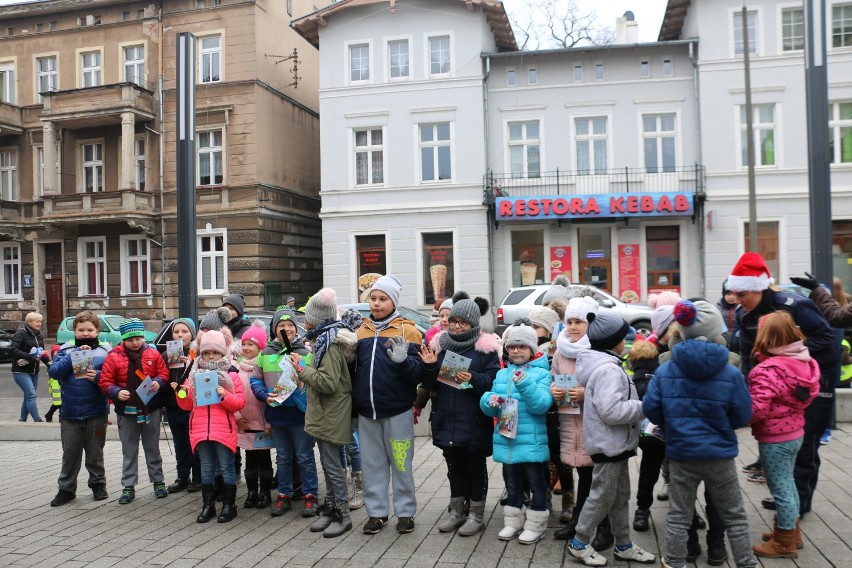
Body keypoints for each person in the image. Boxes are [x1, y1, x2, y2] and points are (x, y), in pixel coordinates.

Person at [642, 300, 756, 568]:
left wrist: (672, 423)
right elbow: (742, 415)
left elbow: (652, 411)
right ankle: (745, 563)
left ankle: (674, 562)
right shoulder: (730, 371)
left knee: (678, 516)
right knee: (735, 516)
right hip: (720, 454)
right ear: (717, 330)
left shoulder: (666, 368)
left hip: (682, 453)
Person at [729, 252, 839, 517]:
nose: (737, 299)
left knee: (805, 444)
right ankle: (787, 496)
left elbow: (826, 338)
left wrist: (786, 355)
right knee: (780, 440)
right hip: (776, 383)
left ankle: (799, 503)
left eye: (742, 294)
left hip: (810, 382)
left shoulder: (792, 305)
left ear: (759, 287)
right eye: (735, 294)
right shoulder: (745, 313)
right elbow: (748, 353)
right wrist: (749, 383)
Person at [567, 312, 655, 566]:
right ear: (613, 341)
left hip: (616, 444)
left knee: (619, 495)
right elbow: (611, 411)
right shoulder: (608, 370)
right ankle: (579, 542)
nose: (627, 341)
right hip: (609, 445)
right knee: (602, 496)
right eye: (624, 337)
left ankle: (624, 545)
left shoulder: (607, 365)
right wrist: (642, 407)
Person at [420, 294, 500, 536]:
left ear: (473, 324)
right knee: (455, 466)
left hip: (474, 419)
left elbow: (494, 381)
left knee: (476, 466)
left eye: (462, 322)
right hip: (448, 416)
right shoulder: (440, 344)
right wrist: (430, 365)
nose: (456, 326)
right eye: (453, 320)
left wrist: (473, 378)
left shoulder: (485, 349)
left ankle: (476, 514)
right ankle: (456, 511)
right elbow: (429, 383)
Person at [353, 274, 424, 535]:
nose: (376, 304)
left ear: (393, 302)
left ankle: (405, 512)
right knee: (372, 465)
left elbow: (418, 375)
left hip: (398, 411)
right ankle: (377, 513)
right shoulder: (360, 331)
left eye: (382, 299)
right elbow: (354, 373)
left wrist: (404, 361)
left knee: (401, 463)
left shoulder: (409, 330)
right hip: (367, 413)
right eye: (373, 298)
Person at [749, 312, 819, 558]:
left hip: (774, 439)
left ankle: (784, 543)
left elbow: (757, 409)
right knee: (788, 484)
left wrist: (740, 413)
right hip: (795, 432)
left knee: (781, 488)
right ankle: (789, 531)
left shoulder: (768, 370)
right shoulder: (804, 362)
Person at [290, 288, 358, 538]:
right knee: (330, 464)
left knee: (332, 466)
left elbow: (328, 383)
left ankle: (343, 514)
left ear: (316, 319)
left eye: (307, 316)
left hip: (331, 412)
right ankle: (331, 509)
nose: (303, 320)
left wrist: (301, 370)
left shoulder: (328, 344)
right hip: (328, 413)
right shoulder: (326, 338)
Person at [480, 324, 552, 545]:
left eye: (522, 346)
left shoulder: (542, 374)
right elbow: (491, 406)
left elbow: (541, 405)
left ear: (532, 349)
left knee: (536, 483)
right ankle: (513, 521)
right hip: (507, 439)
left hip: (531, 441)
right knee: (512, 483)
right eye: (512, 347)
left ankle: (536, 524)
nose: (516, 351)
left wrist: (525, 383)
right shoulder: (502, 374)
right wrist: (489, 401)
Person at [250, 306, 318, 518]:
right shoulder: (265, 354)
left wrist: (301, 376)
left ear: (295, 328)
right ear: (274, 329)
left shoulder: (305, 353)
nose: (286, 329)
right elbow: (255, 379)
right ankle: (284, 494)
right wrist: (263, 395)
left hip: (299, 415)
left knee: (305, 457)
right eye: (281, 325)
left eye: (290, 325)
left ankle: (310, 496)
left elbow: (314, 380)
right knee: (283, 457)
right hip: (276, 415)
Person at [176, 329, 246, 523]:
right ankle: (208, 506)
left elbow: (239, 403)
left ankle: (229, 506)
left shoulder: (231, 375)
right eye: (206, 353)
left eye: (215, 352)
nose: (210, 356)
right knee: (206, 468)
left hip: (223, 428)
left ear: (223, 353)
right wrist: (181, 393)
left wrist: (224, 394)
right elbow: (187, 405)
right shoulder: (193, 374)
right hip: (200, 429)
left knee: (226, 467)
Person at [99, 318, 170, 504]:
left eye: (138, 338)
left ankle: (158, 482)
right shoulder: (114, 357)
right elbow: (105, 382)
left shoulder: (153, 355)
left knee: (152, 448)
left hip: (151, 409)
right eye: (130, 339)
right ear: (123, 339)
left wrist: (159, 382)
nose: (135, 342)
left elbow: (164, 373)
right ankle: (128, 486)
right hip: (127, 410)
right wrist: (116, 392)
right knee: (129, 450)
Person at [48, 311, 111, 506]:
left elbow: (112, 377)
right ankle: (66, 489)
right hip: (70, 413)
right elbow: (54, 372)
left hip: (97, 412)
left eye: (90, 330)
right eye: (81, 330)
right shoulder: (65, 351)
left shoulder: (105, 351)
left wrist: (98, 376)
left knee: (95, 451)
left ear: (97, 331)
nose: (85, 333)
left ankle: (98, 484)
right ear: (74, 331)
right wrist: (73, 356)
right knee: (70, 453)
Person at [550, 296, 599, 542]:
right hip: (570, 423)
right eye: (569, 321)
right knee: (581, 473)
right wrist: (554, 390)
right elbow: (554, 377)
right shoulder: (561, 351)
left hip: (594, 424)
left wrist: (586, 393)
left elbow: (611, 385)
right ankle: (579, 521)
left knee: (594, 478)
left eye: (578, 321)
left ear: (591, 322)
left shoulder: (598, 349)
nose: (572, 327)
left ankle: (592, 524)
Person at [234, 324, 273, 509]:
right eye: (245, 344)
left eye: (252, 344)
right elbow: (230, 393)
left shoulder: (263, 367)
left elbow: (271, 396)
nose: (247, 348)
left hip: (262, 423)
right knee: (249, 459)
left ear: (261, 347)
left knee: (264, 458)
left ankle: (265, 492)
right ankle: (251, 492)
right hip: (245, 422)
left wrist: (269, 422)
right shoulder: (237, 369)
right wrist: (236, 417)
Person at [161, 318, 201, 493]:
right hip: (173, 406)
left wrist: (190, 363)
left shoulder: (197, 354)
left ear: (192, 334)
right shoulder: (166, 355)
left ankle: (199, 477)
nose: (180, 335)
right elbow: (162, 377)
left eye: (184, 331)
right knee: (179, 444)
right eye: (176, 332)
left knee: (195, 444)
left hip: (192, 407)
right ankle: (182, 476)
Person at [9, 312, 50, 422]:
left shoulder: (38, 334)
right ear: (29, 322)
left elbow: (41, 353)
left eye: (40, 321)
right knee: (31, 395)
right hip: (20, 370)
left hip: (34, 370)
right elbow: (12, 350)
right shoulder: (21, 334)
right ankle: (37, 419)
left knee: (28, 396)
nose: (39, 323)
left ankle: (22, 420)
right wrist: (30, 356)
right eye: (37, 321)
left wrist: (50, 363)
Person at [45, 344, 62, 422]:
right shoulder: (51, 364)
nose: (57, 353)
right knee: (59, 403)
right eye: (55, 352)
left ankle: (49, 414)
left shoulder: (61, 361)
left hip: (61, 386)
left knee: (59, 403)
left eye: (59, 352)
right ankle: (60, 419)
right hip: (55, 387)